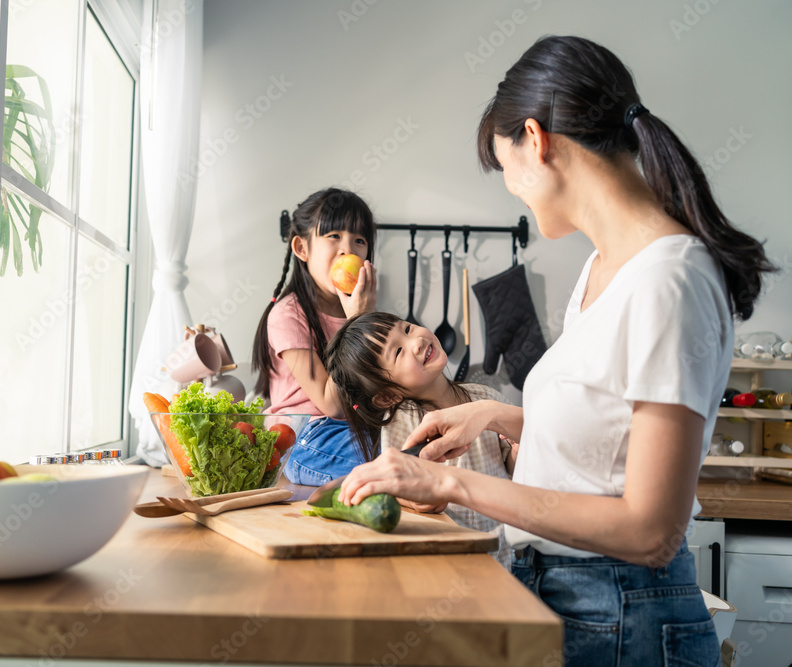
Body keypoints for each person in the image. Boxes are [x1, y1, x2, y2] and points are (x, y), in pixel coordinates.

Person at [336, 36, 773, 667]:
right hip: (574, 598)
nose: (512, 188)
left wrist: (450, 482)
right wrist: (493, 417)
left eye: (504, 166)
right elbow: (605, 445)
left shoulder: (667, 279)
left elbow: (650, 530)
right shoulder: (604, 267)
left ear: (536, 141)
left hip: (624, 609)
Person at [325, 311, 518, 569]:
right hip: (452, 560)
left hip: (508, 555)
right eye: (398, 352)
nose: (416, 341)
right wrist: (415, 499)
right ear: (387, 396)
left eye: (406, 329)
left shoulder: (485, 398)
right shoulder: (403, 422)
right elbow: (399, 483)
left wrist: (518, 449)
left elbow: (513, 467)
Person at [251, 188, 378, 485]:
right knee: (395, 460)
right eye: (333, 235)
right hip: (303, 438)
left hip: (350, 429)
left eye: (359, 240)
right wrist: (359, 322)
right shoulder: (288, 314)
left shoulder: (359, 311)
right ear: (302, 248)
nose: (348, 250)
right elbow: (330, 404)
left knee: (412, 444)